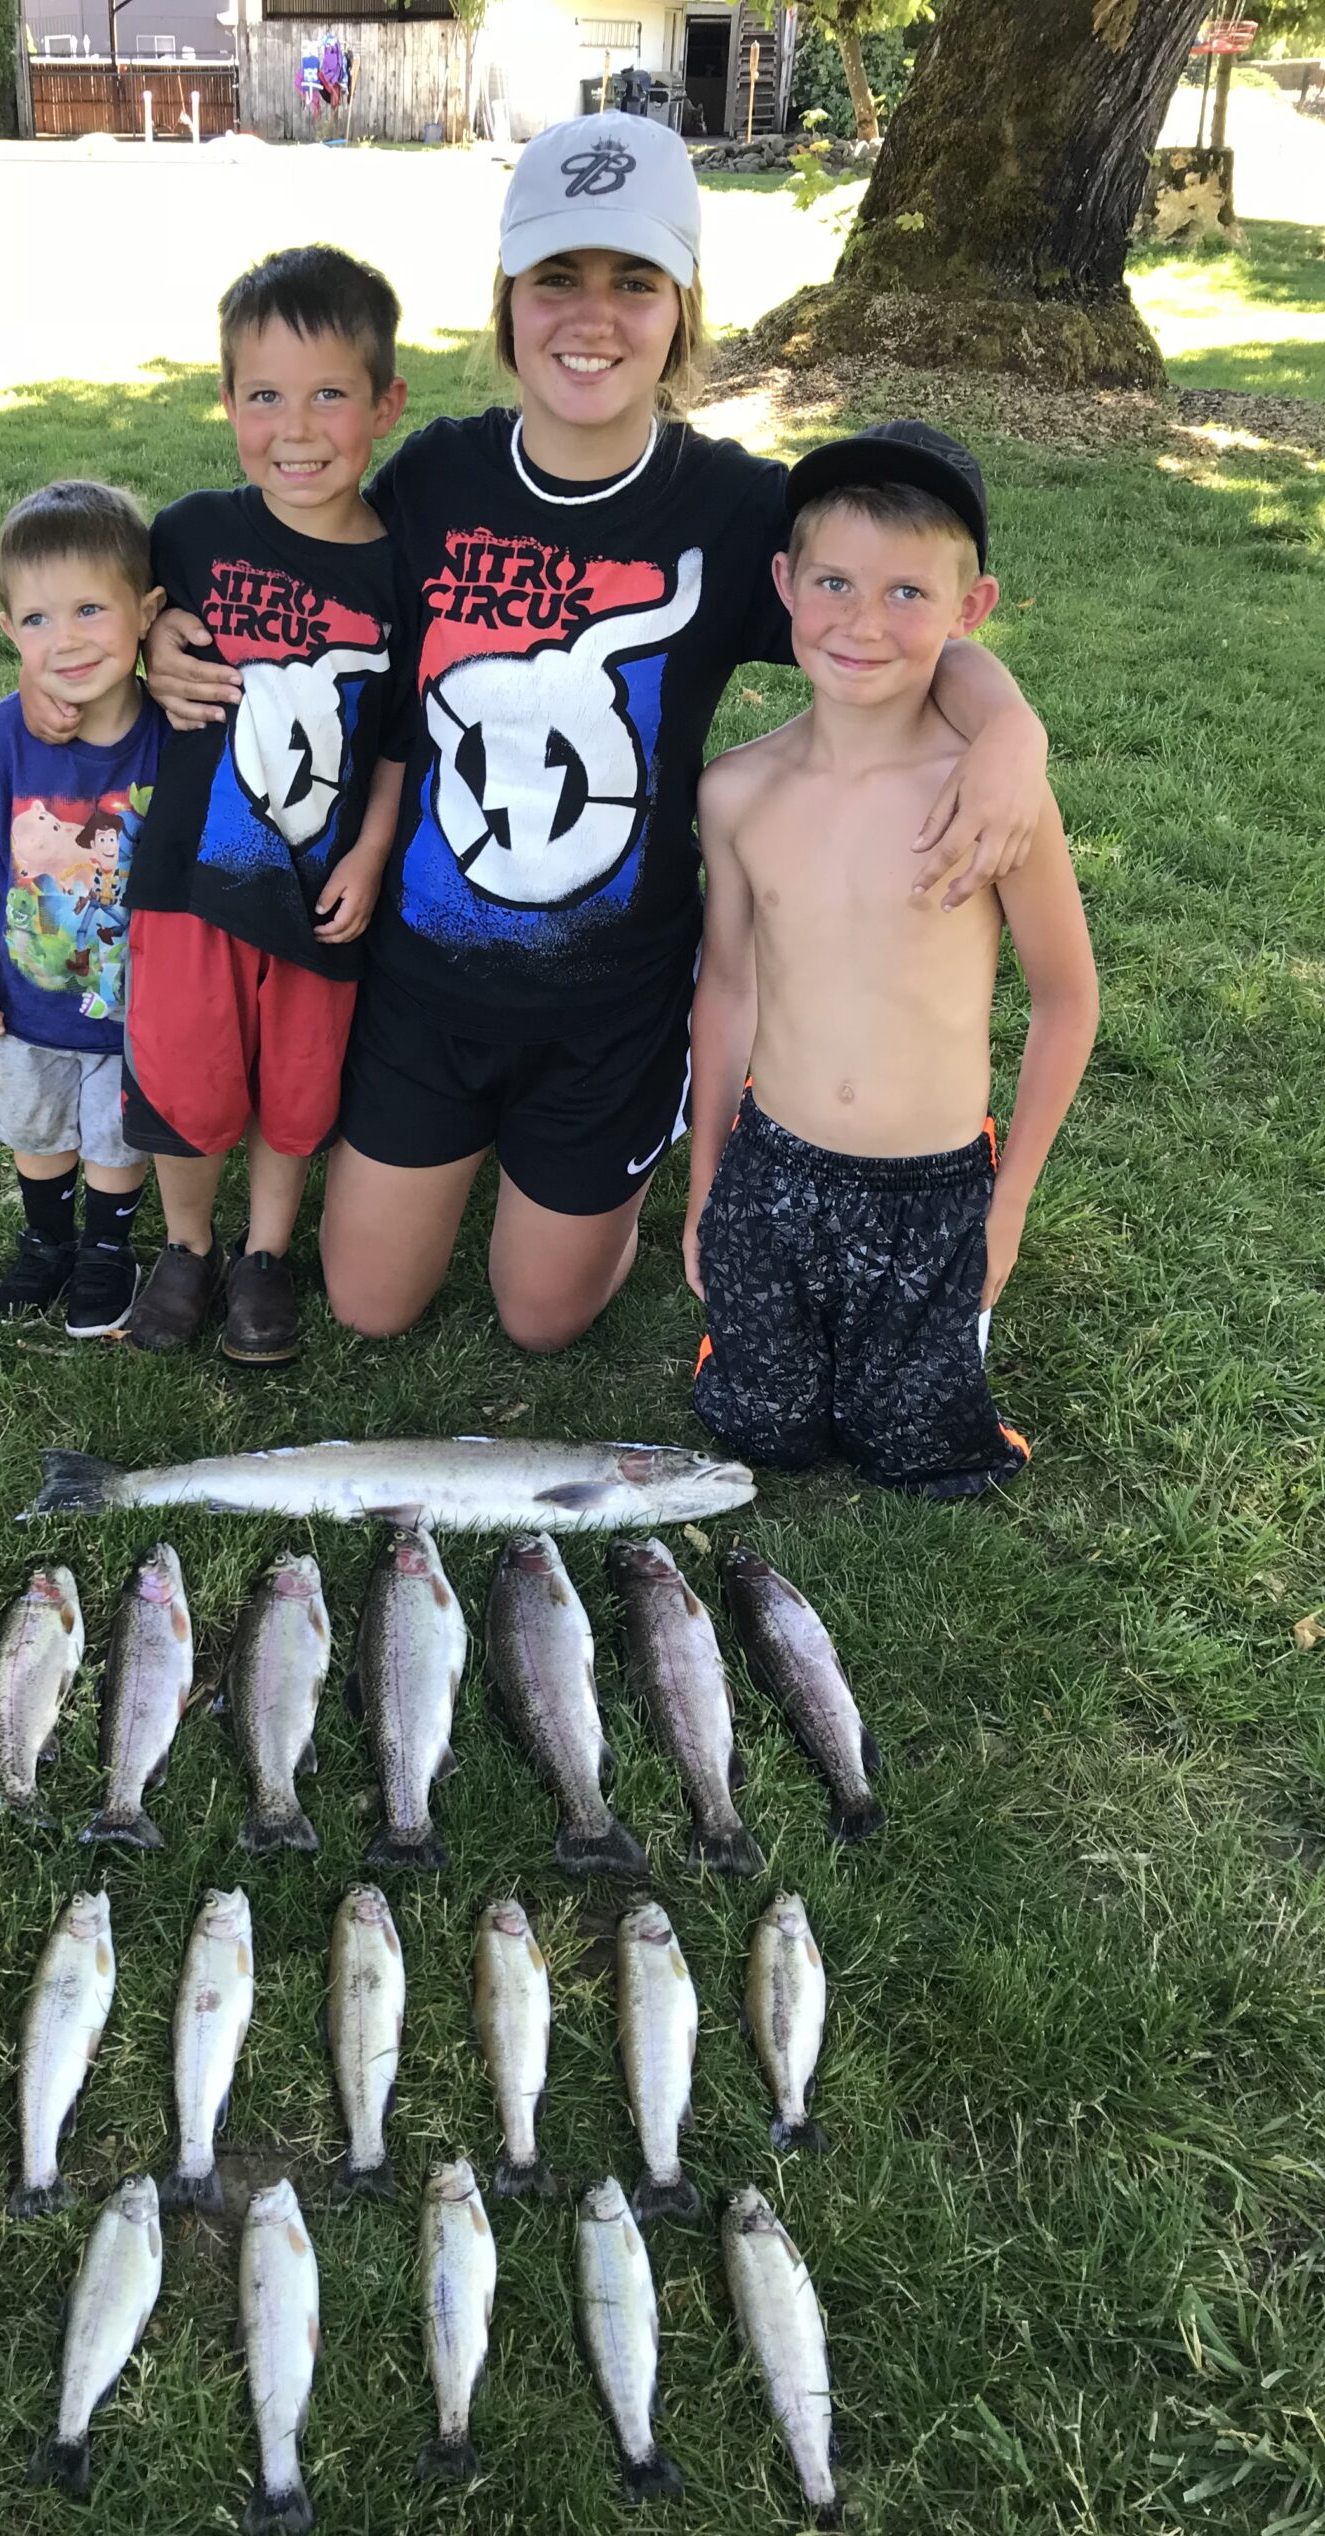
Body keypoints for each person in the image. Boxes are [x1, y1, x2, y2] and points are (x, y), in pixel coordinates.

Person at [149, 113, 1056, 1355]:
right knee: (366, 1305)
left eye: (634, 282)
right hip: (424, 982)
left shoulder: (740, 510)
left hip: (611, 1002)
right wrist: (166, 634)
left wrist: (1010, 733)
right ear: (508, 301)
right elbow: (293, 579)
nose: (593, 317)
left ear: (681, 307)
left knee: (542, 1321)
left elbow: (889, 626)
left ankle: (597, 1166)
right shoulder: (433, 477)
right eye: (556, 280)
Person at [685, 422, 1099, 1498]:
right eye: (834, 582)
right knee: (757, 1431)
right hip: (774, 1171)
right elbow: (726, 988)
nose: (864, 623)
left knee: (920, 1456)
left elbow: (1066, 999)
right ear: (784, 583)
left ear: (972, 610)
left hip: (934, 1189)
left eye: (909, 594)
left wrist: (1004, 1209)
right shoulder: (738, 792)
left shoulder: (993, 797)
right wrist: (707, 1188)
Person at [118, 245, 410, 1366]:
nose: (297, 427)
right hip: (190, 880)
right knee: (188, 1082)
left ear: (384, 402)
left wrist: (372, 851)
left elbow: (396, 739)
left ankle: (265, 1256)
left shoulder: (400, 571)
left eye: (330, 393)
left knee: (296, 1090)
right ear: (228, 401)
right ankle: (187, 1245)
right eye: (265, 396)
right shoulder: (189, 534)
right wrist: (147, 641)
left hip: (316, 892)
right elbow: (99, 634)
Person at [0, 481, 164, 1334]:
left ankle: (107, 1249)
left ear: (147, 613)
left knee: (117, 1137)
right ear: (6, 631)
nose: (64, 641)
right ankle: (46, 1241)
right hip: (25, 1003)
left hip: (140, 1008)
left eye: (90, 610)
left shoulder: (174, 736)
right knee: (40, 1127)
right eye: (36, 620)